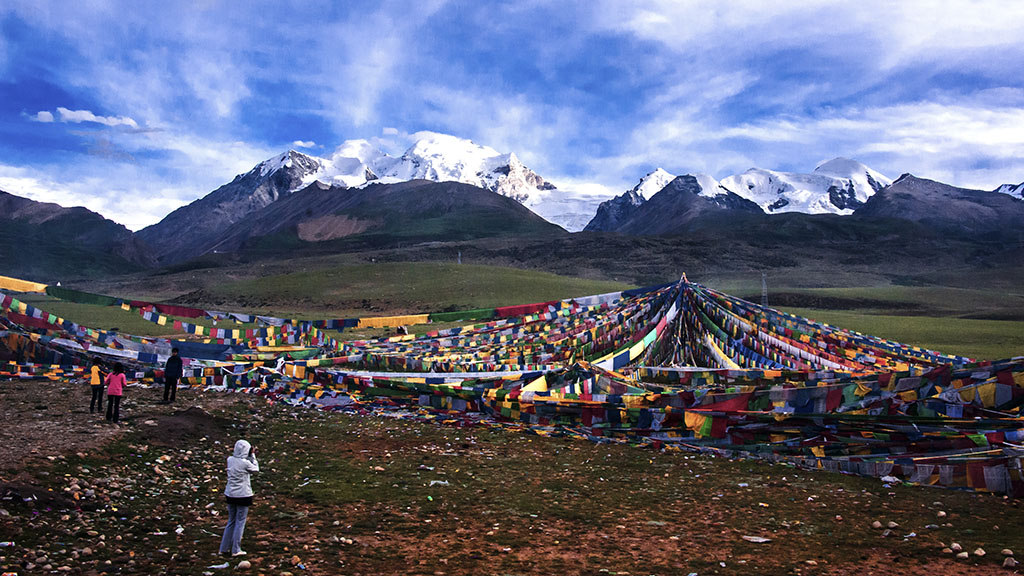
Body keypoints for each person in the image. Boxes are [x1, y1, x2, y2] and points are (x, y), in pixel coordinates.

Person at [220, 439, 259, 557]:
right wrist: (252, 455)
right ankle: (236, 549)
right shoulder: (245, 463)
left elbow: (239, 460)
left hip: (230, 494)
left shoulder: (230, 460)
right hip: (243, 494)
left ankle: (223, 548)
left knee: (231, 521)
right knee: (240, 522)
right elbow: (255, 469)